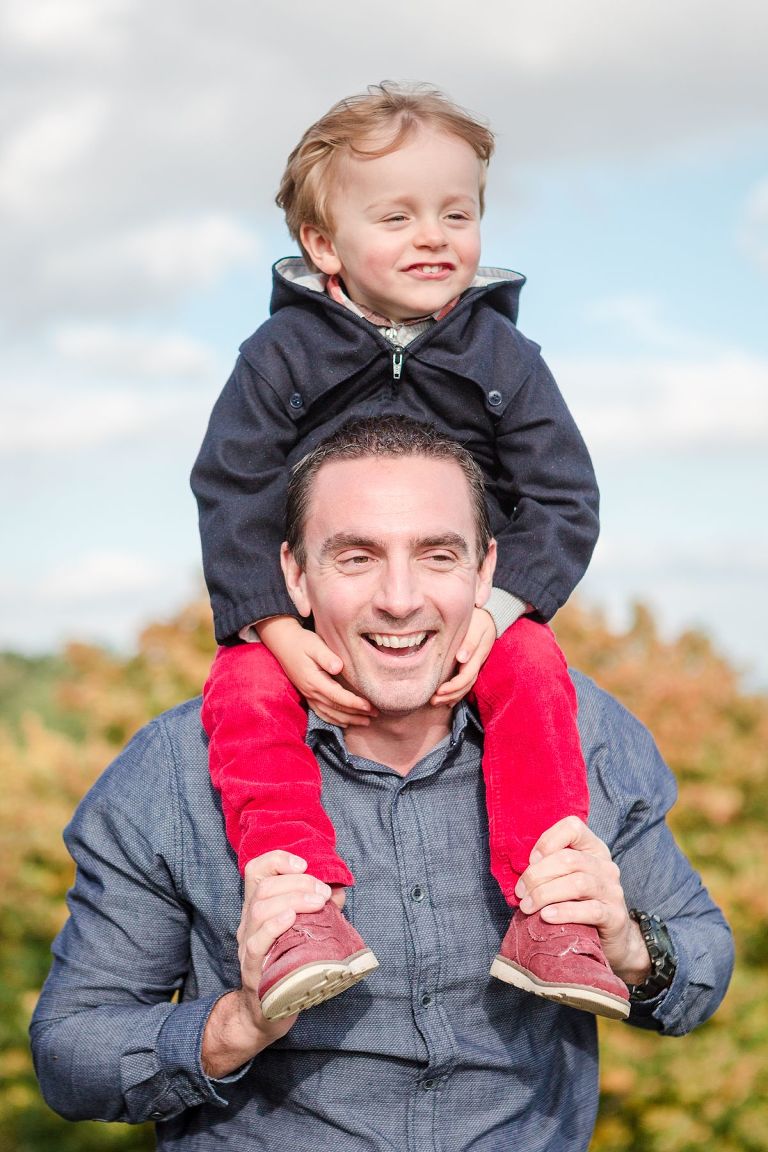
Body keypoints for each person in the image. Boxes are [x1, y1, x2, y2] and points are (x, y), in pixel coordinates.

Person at [31, 417, 733, 1150]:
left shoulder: (588, 738)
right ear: (295, 577)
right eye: (357, 557)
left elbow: (702, 966)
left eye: (437, 555)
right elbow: (70, 1053)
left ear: (486, 572)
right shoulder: (173, 771)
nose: (399, 599)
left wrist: (627, 946)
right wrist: (238, 1023)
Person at [191, 82, 610, 1020]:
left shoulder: (507, 359)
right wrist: (271, 624)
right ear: (326, 246)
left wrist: (501, 615)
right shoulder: (279, 356)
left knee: (539, 672)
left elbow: (564, 496)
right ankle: (301, 906)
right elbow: (232, 490)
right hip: (308, 620)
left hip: (470, 615)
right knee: (244, 694)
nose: (434, 236)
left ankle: (555, 909)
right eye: (398, 216)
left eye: (456, 214)